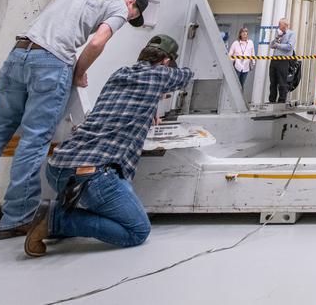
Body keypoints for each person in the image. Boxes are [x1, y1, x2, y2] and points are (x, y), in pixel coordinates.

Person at [0, 0, 146, 243]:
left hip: (18, 55)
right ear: (131, 3)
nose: (128, 18)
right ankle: (17, 218)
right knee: (33, 142)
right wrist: (79, 72)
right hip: (52, 63)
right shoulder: (119, 8)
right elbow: (97, 42)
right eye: (133, 16)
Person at [23, 34, 193, 257]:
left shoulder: (120, 73)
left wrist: (149, 108)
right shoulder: (161, 74)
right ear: (166, 62)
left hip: (58, 168)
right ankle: (56, 219)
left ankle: (59, 217)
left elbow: (123, 101)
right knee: (137, 231)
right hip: (93, 176)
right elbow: (187, 75)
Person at [268, 18, 297, 104]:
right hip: (274, 59)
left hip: (284, 60)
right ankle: (272, 100)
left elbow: (289, 46)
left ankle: (281, 101)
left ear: (285, 25)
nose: (278, 26)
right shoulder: (278, 33)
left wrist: (278, 45)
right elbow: (271, 45)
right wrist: (276, 38)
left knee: (282, 81)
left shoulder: (291, 34)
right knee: (272, 81)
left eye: (280, 24)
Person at [228, 27, 256, 92]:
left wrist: (253, 62)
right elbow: (230, 55)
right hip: (237, 66)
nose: (245, 34)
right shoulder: (235, 43)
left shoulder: (250, 43)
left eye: (246, 32)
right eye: (243, 32)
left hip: (246, 67)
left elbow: (252, 53)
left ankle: (240, 97)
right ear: (240, 34)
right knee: (235, 84)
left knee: (242, 84)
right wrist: (233, 60)